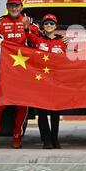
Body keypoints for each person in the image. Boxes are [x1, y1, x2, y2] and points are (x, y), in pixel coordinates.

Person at [0, 0, 40, 149]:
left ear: (21, 7)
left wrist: (27, 28)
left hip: (24, 70)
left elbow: (40, 40)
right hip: (4, 69)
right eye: (11, 5)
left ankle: (17, 134)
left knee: (22, 104)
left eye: (17, 5)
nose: (14, 8)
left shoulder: (30, 22)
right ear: (7, 6)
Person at [24, 14, 66, 149]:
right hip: (41, 81)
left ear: (56, 26)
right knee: (41, 113)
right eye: (46, 24)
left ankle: (55, 139)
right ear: (43, 26)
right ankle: (46, 140)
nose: (49, 26)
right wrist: (26, 27)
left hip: (56, 81)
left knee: (55, 112)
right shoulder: (38, 40)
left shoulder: (62, 42)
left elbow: (68, 58)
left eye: (51, 24)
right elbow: (26, 35)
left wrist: (70, 44)